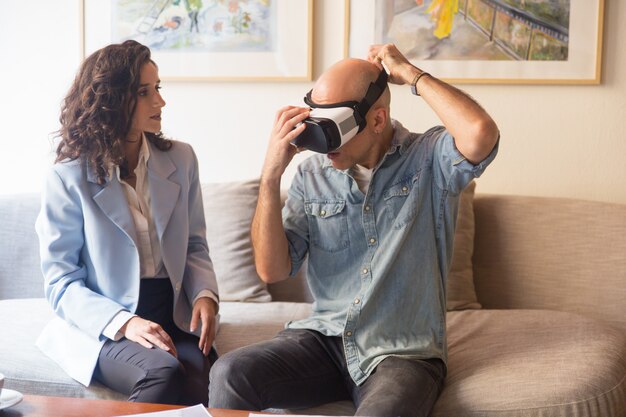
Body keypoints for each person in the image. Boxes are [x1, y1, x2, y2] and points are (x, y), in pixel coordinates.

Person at [208, 43, 499, 417]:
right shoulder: (312, 174)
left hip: (401, 353)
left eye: (334, 127)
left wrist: (411, 73)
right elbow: (272, 270)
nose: (323, 145)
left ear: (377, 120)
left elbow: (480, 133)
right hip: (323, 340)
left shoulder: (429, 160)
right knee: (231, 372)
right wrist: (270, 177)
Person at [35, 40, 219, 406]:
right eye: (144, 92)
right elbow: (61, 282)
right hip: (106, 323)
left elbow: (195, 244)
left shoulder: (181, 160)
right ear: (112, 100)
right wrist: (124, 322)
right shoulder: (67, 178)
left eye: (158, 89)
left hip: (174, 314)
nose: (160, 102)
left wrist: (204, 295)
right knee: (162, 372)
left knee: (207, 381)